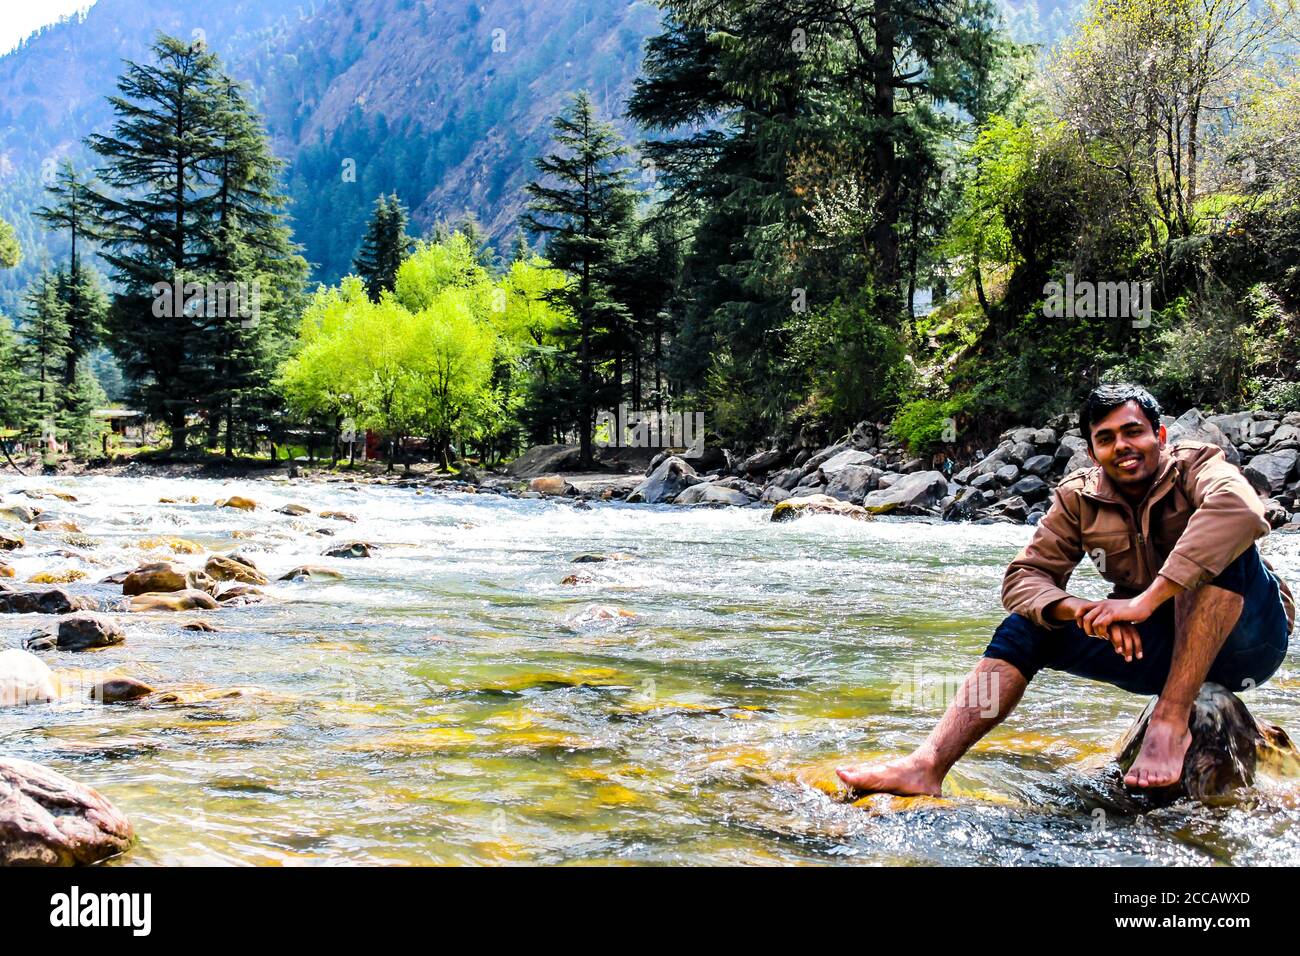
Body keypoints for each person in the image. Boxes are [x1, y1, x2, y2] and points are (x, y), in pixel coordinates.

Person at [837, 383, 1295, 793]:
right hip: (1159, 647)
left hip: (1249, 641)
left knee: (1223, 551)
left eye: (1133, 432)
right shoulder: (1078, 497)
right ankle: (926, 766)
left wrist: (1144, 601)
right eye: (1106, 439)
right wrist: (1082, 611)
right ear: (1094, 452)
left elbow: (1241, 512)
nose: (1122, 446)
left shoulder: (1199, 466)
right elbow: (1023, 579)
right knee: (1028, 626)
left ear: (1160, 437)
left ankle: (1170, 720)